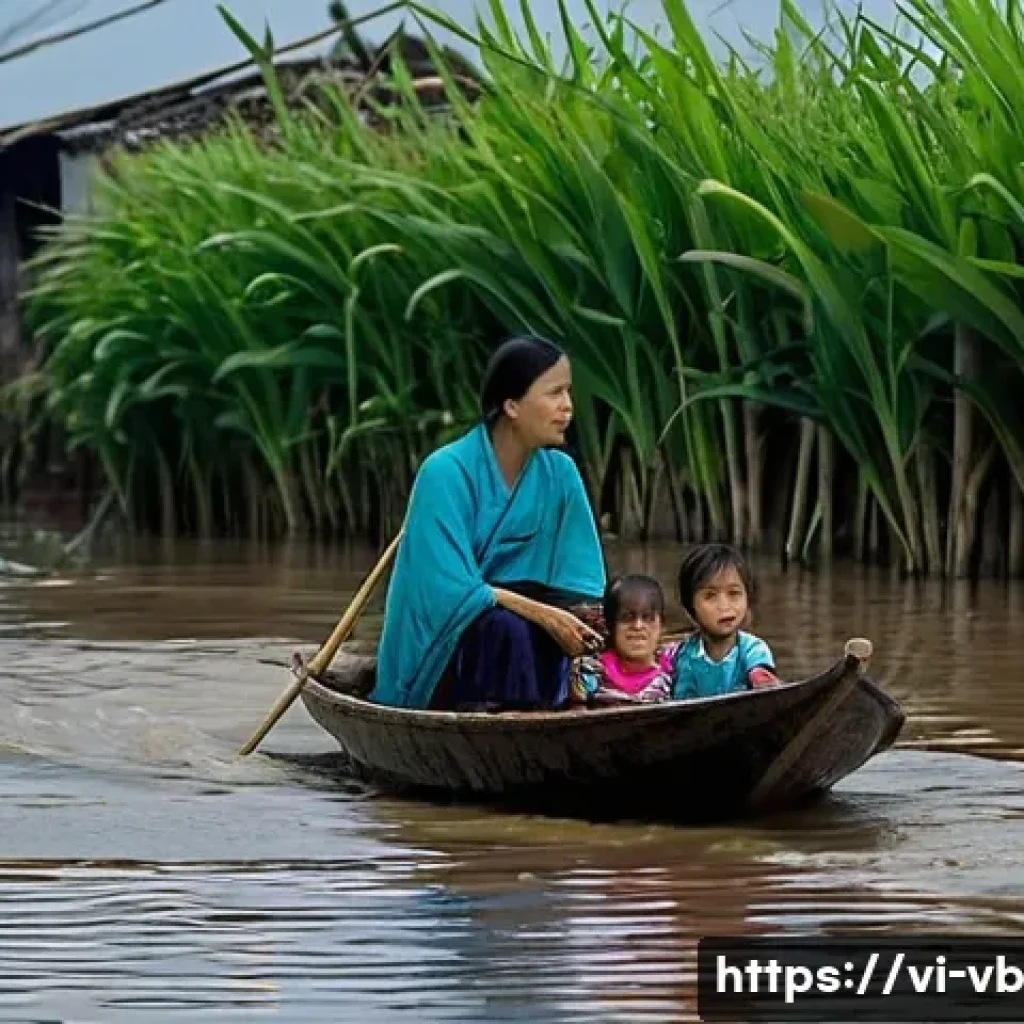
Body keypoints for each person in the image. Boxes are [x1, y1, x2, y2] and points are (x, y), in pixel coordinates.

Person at [369, 335, 607, 711]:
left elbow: (581, 585)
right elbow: (450, 593)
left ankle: (547, 710)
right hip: (449, 656)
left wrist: (578, 627)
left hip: (532, 647)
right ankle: (510, 722)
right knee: (507, 628)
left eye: (569, 393)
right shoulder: (444, 473)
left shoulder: (562, 475)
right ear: (512, 405)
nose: (568, 407)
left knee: (543, 632)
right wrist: (539, 612)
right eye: (555, 393)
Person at [671, 543, 780, 700]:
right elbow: (681, 702)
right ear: (690, 607)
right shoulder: (685, 654)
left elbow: (763, 677)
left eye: (734, 593)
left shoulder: (753, 649)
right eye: (710, 596)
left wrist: (760, 679)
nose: (724, 606)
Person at [571, 575, 675, 704]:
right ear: (610, 625)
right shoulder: (591, 672)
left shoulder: (674, 672)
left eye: (647, 618)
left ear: (662, 625)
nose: (637, 626)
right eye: (627, 618)